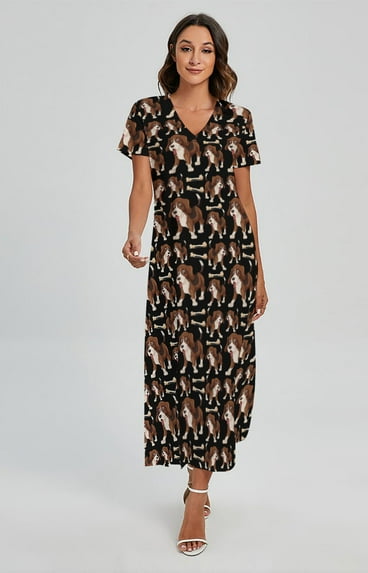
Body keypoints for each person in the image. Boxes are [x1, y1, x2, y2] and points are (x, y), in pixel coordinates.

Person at [117, 13, 268, 557]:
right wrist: (134, 234)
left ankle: (196, 494)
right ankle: (192, 485)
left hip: (230, 267)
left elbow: (245, 200)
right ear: (173, 54)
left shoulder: (238, 120)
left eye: (206, 49)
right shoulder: (147, 114)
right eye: (186, 47)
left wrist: (259, 272)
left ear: (218, 57)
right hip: (173, 266)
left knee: (221, 376)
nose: (196, 58)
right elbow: (142, 186)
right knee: (179, 372)